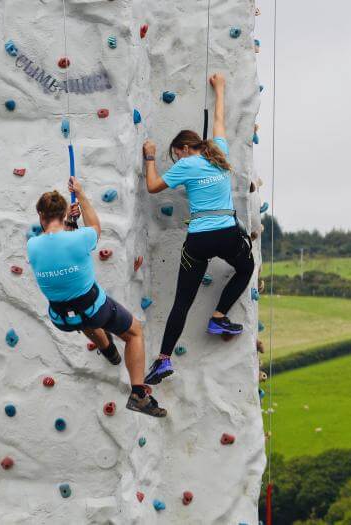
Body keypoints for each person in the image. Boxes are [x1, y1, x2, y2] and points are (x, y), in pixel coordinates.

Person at [141, 72, 255, 385]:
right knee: (246, 268)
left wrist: (150, 157)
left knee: (182, 302)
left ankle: (163, 361)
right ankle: (219, 317)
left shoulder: (185, 164)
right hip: (228, 234)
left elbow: (152, 187)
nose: (175, 158)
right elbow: (219, 118)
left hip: (199, 240)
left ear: (183, 148)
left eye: (175, 153)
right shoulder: (219, 153)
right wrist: (220, 88)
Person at [27, 177, 167, 417]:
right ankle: (139, 395)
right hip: (94, 308)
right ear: (62, 215)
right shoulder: (79, 239)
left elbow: (57, 244)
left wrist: (68, 223)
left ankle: (107, 348)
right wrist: (80, 196)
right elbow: (94, 229)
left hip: (61, 318)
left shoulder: (33, 246)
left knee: (81, 317)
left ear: (41, 217)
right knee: (134, 332)